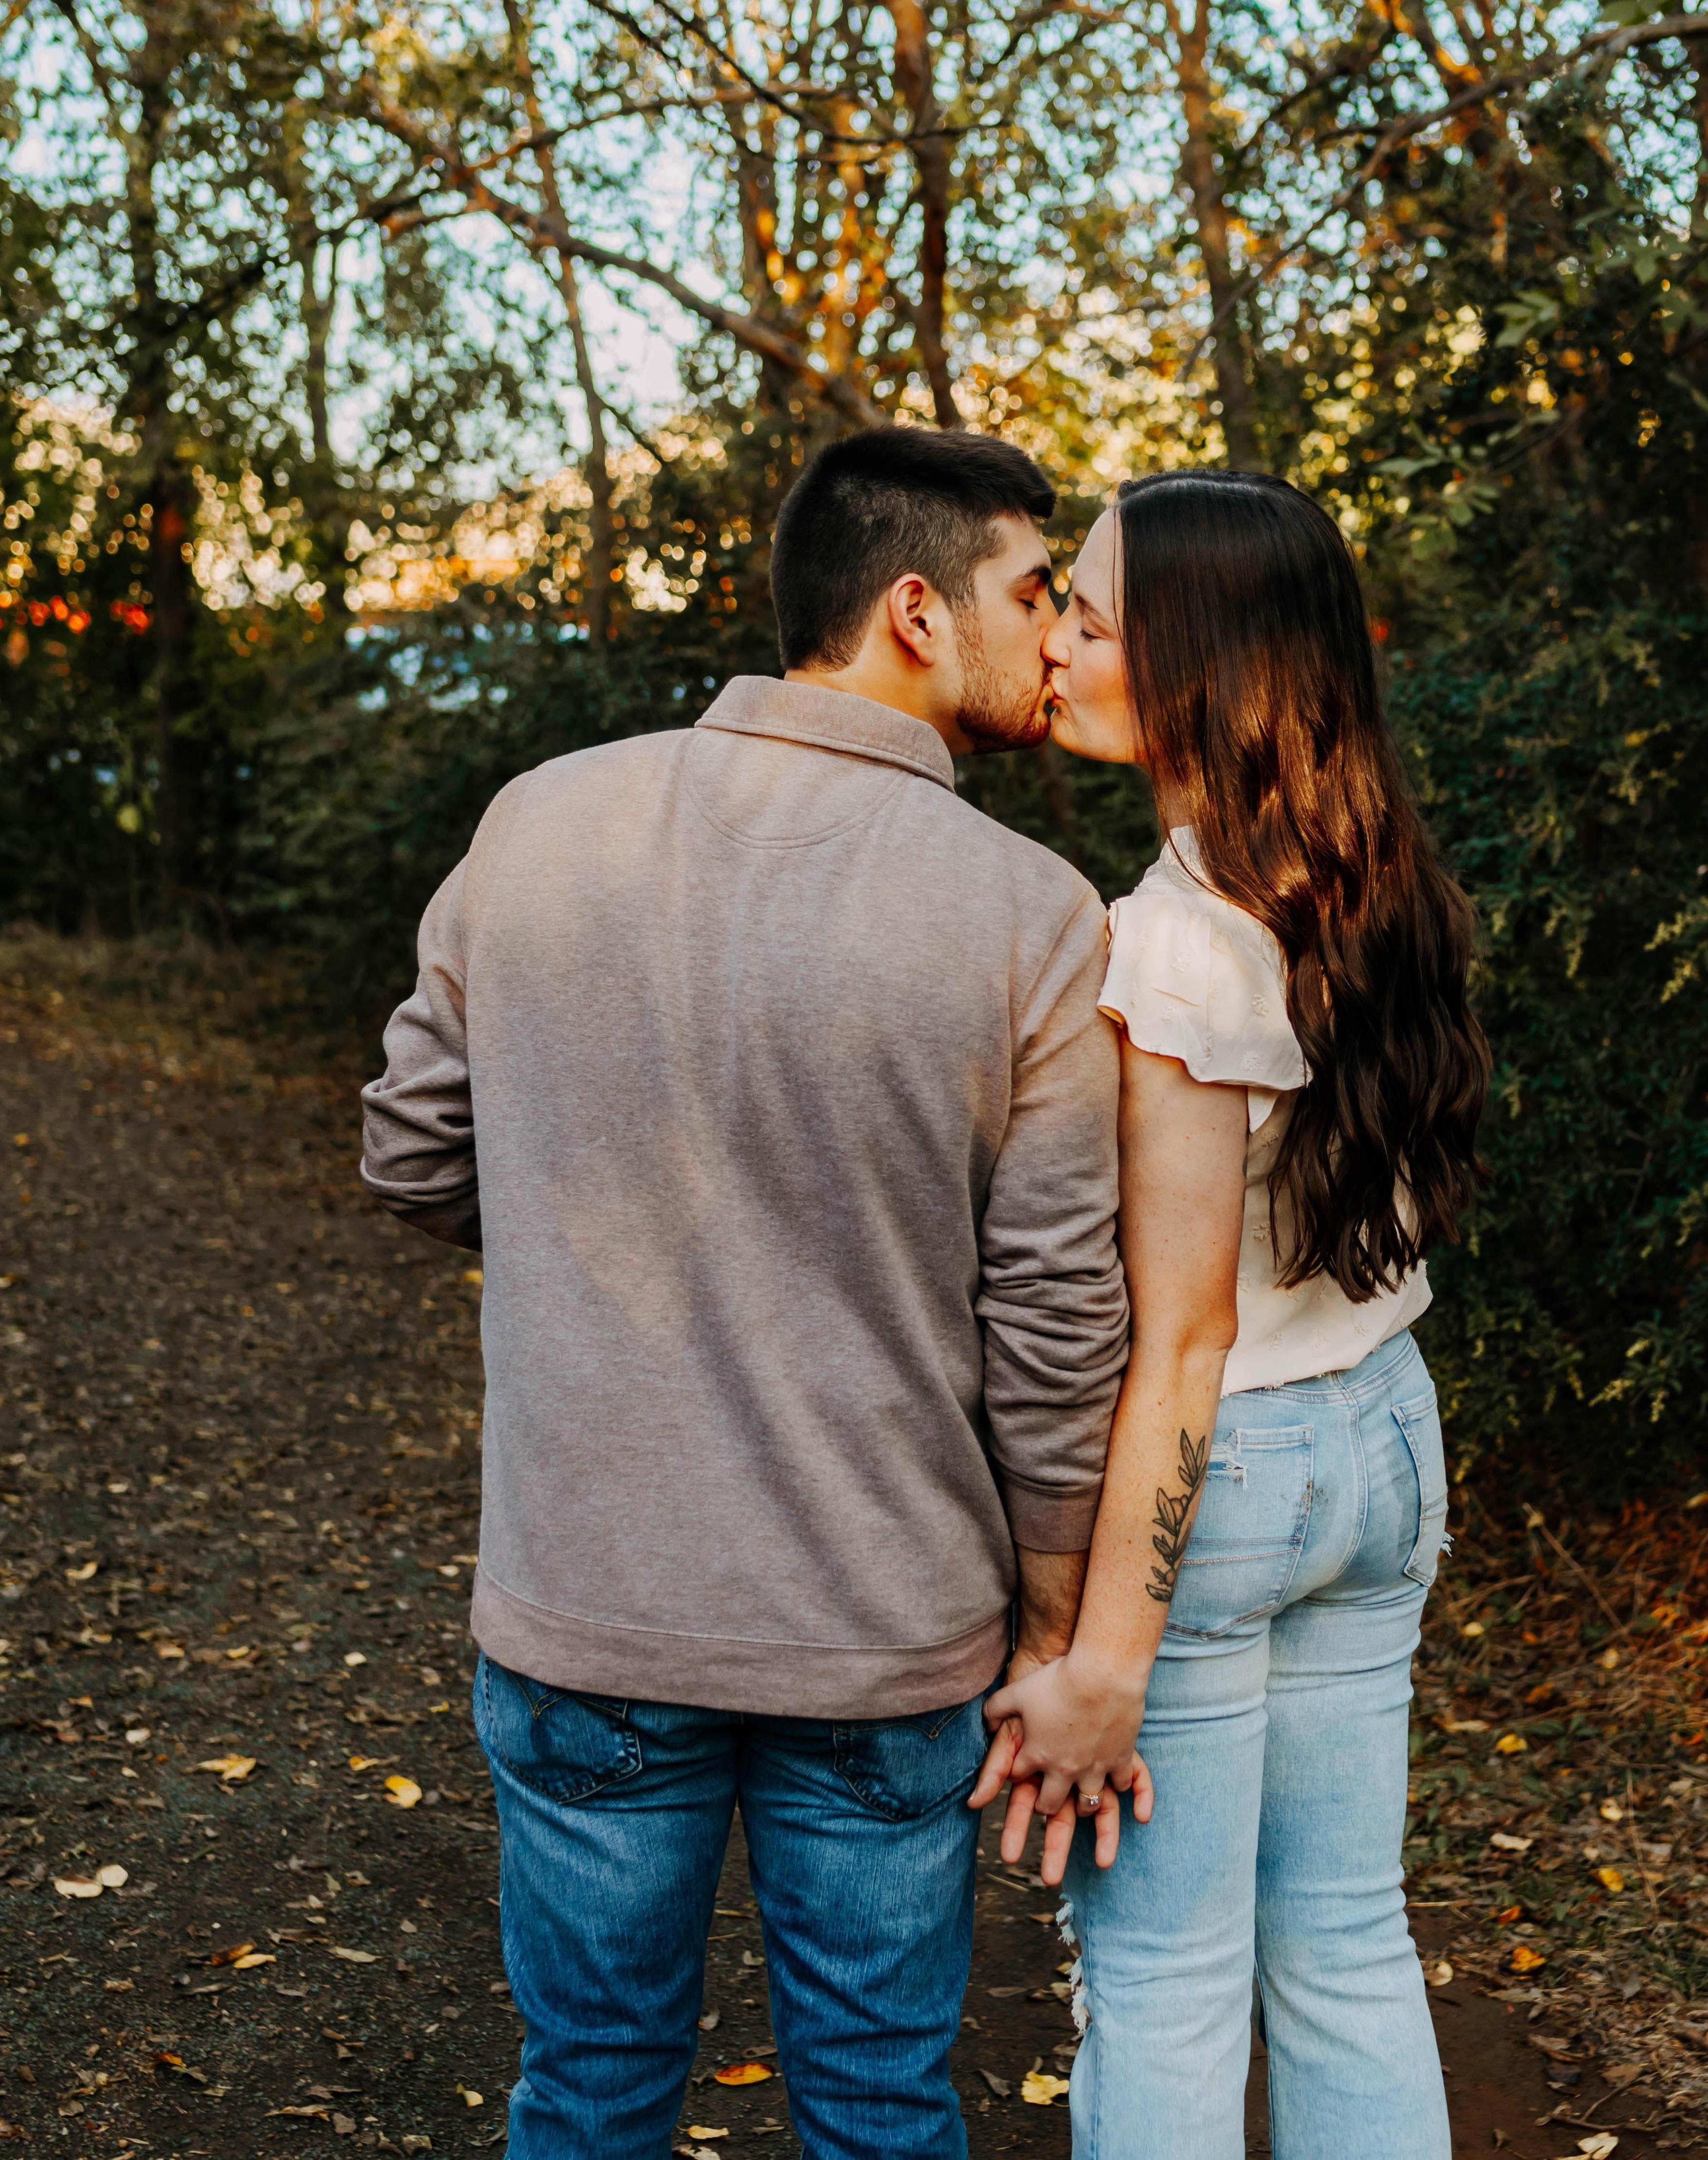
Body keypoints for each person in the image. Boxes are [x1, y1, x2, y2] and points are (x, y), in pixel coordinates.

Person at [359, 426, 1141, 2160]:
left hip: (589, 1603)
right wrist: (1051, 1618)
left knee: (587, 2087)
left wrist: (582, 1232)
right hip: (885, 1625)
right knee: (877, 2104)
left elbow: (411, 1153)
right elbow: (1056, 1323)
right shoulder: (1033, 914)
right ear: (919, 612)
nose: (1060, 634)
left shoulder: (541, 818)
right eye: (1036, 592)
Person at [975, 470, 1492, 2158]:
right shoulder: (1366, 876)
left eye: (1091, 620)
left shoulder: (1174, 945)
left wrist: (1103, 1660)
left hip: (1231, 1476)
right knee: (1347, 1945)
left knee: (1168, 1980)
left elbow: (1184, 1339)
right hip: (1386, 1435)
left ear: (1199, 663)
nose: (1056, 646)